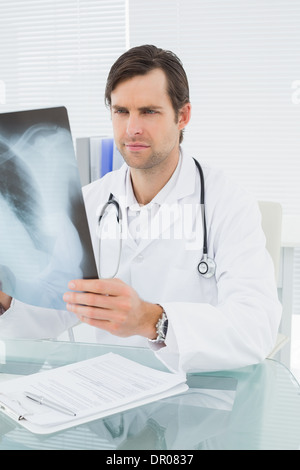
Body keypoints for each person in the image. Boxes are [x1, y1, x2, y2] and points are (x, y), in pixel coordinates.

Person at [0, 45, 281, 372]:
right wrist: (7, 300)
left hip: (198, 398)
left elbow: (256, 326)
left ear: (183, 116)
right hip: (105, 394)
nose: (132, 128)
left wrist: (152, 320)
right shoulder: (90, 202)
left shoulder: (228, 204)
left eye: (149, 111)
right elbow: (62, 306)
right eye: (121, 111)